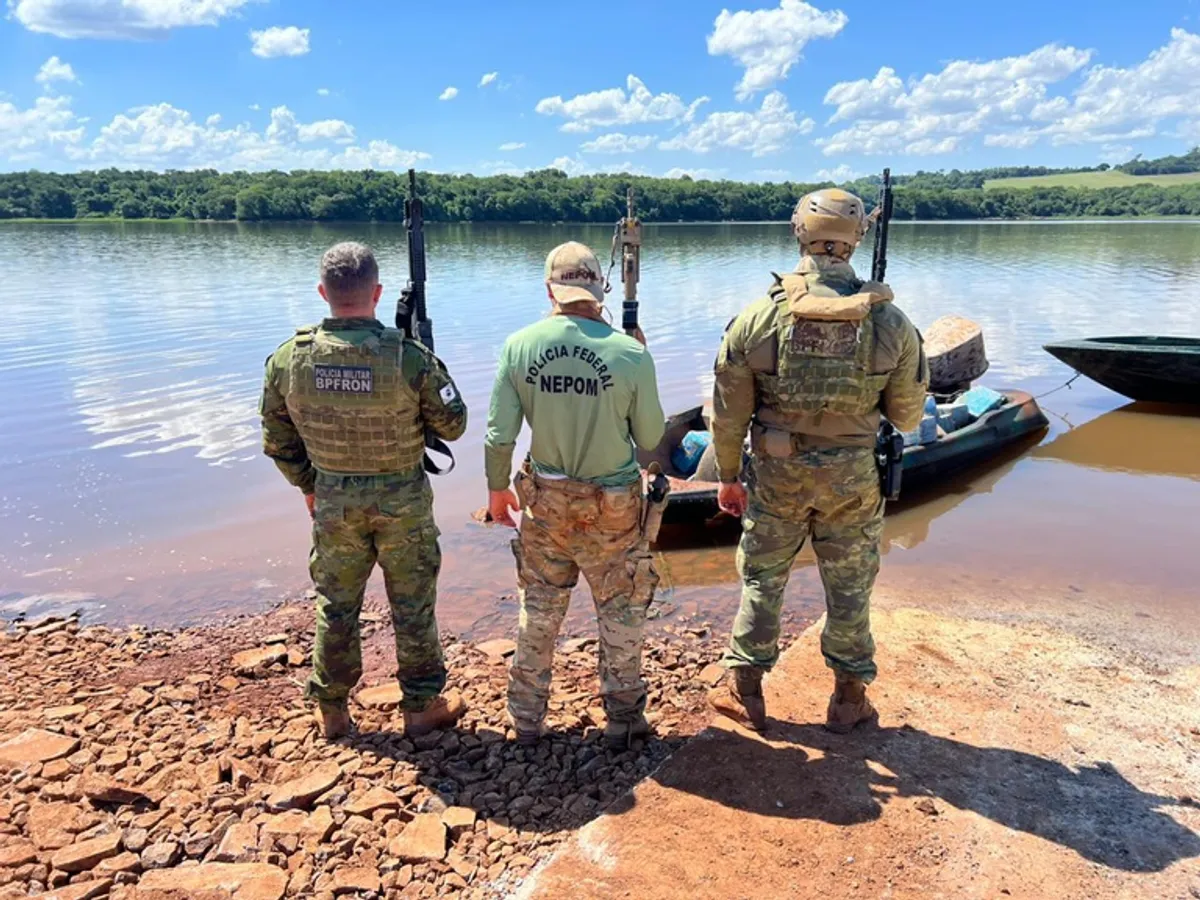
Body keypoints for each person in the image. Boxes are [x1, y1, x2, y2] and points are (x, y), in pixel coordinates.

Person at [706, 189, 928, 734]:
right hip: (852, 475)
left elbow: (728, 416)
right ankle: (849, 701)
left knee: (763, 577)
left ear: (798, 232)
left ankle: (747, 692)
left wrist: (730, 476)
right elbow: (906, 417)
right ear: (856, 240)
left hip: (777, 473)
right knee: (850, 582)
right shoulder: (891, 324)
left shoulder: (757, 319)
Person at [260, 241, 468, 740]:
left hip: (333, 500)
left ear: (322, 293)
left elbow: (277, 437)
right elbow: (455, 424)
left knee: (336, 604)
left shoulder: (291, 359)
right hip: (403, 502)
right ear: (376, 293)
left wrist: (311, 486)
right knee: (412, 603)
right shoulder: (408, 357)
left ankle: (331, 709)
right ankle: (421, 707)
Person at [485, 241, 666, 749]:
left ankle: (525, 720)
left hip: (545, 504)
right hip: (612, 509)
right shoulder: (629, 353)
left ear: (550, 290)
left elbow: (499, 435)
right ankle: (624, 720)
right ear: (598, 292)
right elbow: (650, 437)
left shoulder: (519, 345)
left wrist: (497, 491)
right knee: (621, 611)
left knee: (539, 611)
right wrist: (641, 358)